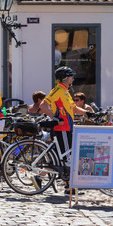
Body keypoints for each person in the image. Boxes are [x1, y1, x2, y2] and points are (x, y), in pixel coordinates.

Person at [38, 66, 90, 194]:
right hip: (63, 128)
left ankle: (39, 177)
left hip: (67, 128)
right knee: (68, 158)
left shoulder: (66, 92)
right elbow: (43, 105)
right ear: (67, 78)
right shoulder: (57, 90)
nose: (73, 79)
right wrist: (54, 117)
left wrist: (88, 113)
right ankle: (69, 188)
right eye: (71, 77)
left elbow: (73, 108)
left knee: (62, 157)